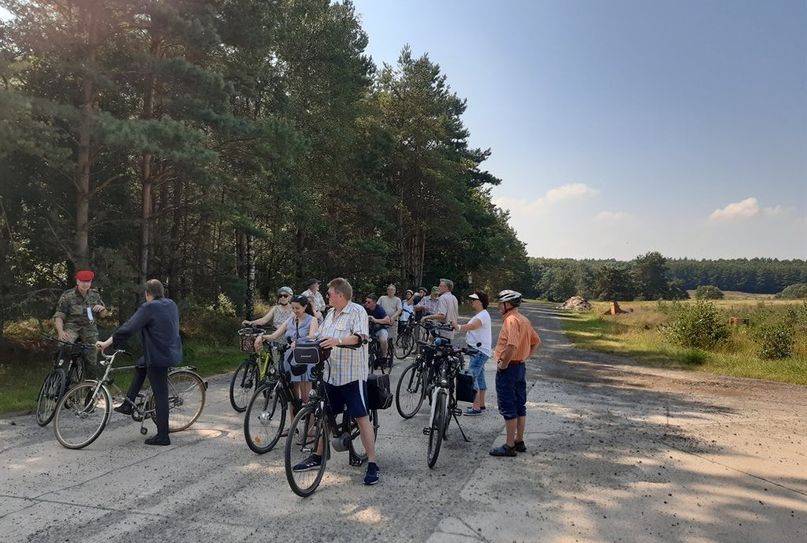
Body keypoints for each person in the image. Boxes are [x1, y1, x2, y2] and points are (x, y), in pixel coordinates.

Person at [296, 277, 380, 486]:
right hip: (331, 375)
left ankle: (372, 463)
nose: (327, 296)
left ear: (340, 295)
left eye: (330, 293)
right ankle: (317, 456)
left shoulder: (357, 311)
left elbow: (361, 337)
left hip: (352, 375)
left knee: (361, 417)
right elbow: (319, 336)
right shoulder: (330, 315)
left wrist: (339, 341)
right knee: (325, 415)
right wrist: (298, 343)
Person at [96, 279, 182, 446]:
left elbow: (129, 328)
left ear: (147, 294)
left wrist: (107, 343)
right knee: (140, 364)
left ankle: (163, 436)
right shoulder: (171, 303)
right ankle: (128, 404)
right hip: (172, 351)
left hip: (158, 357)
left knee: (161, 394)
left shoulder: (149, 307)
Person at [489, 290, 540, 457]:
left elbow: (511, 345)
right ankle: (519, 440)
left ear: (508, 304)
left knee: (508, 405)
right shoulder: (524, 320)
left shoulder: (511, 320)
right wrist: (525, 357)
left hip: (509, 369)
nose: (498, 307)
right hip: (520, 368)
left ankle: (509, 445)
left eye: (500, 303)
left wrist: (503, 364)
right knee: (519, 404)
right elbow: (536, 342)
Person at [255, 295, 319, 404]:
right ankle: (294, 420)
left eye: (297, 308)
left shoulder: (312, 320)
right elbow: (275, 336)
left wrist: (299, 341)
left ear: (305, 307)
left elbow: (312, 337)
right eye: (292, 308)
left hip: (304, 360)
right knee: (292, 398)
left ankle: (310, 419)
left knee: (305, 399)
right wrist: (261, 337)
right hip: (289, 359)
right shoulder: (290, 320)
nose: (294, 311)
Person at [53, 270, 108, 380]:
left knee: (92, 354)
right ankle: (59, 376)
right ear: (77, 281)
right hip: (72, 326)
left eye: (88, 281)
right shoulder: (68, 296)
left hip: (89, 328)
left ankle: (91, 387)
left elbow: (104, 314)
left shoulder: (94, 295)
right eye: (83, 281)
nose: (85, 284)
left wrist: (102, 309)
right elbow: (59, 315)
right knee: (64, 345)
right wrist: (60, 332)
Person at [452, 291, 492, 416]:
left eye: (474, 300)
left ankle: (476, 408)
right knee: (480, 378)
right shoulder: (482, 314)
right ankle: (481, 404)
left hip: (479, 352)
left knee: (472, 378)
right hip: (480, 351)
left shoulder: (482, 315)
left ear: (480, 302)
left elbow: (472, 326)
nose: (472, 302)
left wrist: (457, 326)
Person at [363, 293, 391, 360]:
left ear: (374, 303)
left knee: (383, 339)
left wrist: (375, 320)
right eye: (366, 301)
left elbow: (388, 321)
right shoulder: (363, 308)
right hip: (368, 330)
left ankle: (384, 356)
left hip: (379, 329)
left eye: (369, 302)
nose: (366, 303)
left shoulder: (379, 309)